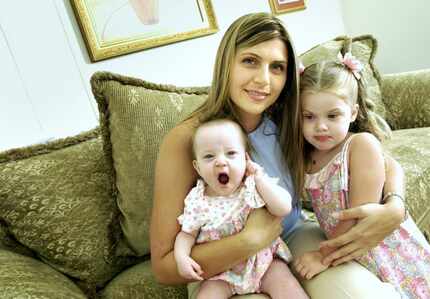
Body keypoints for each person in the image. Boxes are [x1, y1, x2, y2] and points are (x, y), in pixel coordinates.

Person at [150, 12, 406, 298]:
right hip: (219, 266)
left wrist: (395, 206)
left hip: (292, 237)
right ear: (226, 63)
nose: (263, 80)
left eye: (277, 67)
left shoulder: (287, 117)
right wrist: (251, 239)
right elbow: (163, 267)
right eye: (250, 61)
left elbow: (380, 159)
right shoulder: (190, 139)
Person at [293, 54, 430, 297]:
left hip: (383, 247)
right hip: (350, 249)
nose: (321, 126)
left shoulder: (360, 146)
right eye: (309, 116)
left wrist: (323, 255)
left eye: (332, 115)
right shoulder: (308, 154)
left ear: (353, 113)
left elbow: (358, 214)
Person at [174, 118, 309, 298]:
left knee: (287, 286)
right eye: (209, 156)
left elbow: (283, 207)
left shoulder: (253, 185)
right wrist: (181, 257)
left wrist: (260, 178)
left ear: (245, 159)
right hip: (221, 274)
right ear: (197, 167)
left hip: (264, 262)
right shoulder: (197, 200)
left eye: (231, 153)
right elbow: (186, 235)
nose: (221, 162)